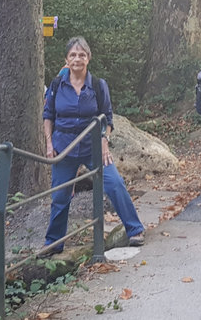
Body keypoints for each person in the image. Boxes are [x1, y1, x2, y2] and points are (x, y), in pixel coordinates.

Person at [43, 37, 144, 251]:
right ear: (66, 59)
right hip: (64, 147)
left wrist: (104, 141)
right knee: (60, 196)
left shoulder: (98, 85)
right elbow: (48, 115)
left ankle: (134, 229)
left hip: (93, 147)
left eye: (82, 55)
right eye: (73, 55)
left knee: (115, 183)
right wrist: (49, 144)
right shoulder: (57, 85)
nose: (77, 59)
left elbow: (107, 118)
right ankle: (54, 243)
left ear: (88, 58)